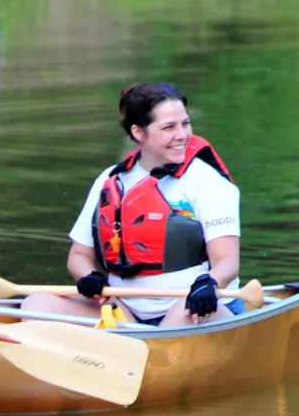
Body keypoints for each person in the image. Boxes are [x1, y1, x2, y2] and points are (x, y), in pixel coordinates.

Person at [20, 82, 243, 327]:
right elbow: (79, 255)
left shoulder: (207, 182)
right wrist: (89, 277)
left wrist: (209, 284)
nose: (182, 135)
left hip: (197, 307)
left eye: (185, 123)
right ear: (139, 133)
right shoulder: (110, 180)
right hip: (126, 311)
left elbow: (227, 263)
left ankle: (143, 352)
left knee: (181, 314)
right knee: (36, 304)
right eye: (169, 127)